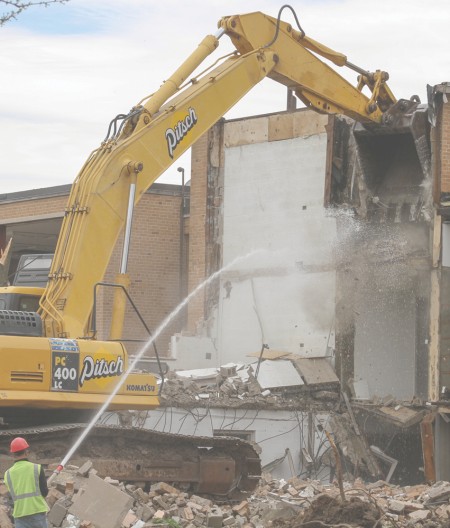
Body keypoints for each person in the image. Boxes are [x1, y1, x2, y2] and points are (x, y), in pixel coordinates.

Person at [4, 437, 49, 528]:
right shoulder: (37, 468)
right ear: (26, 452)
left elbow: (12, 496)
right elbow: (44, 492)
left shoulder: (7, 474)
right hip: (37, 512)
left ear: (13, 454)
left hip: (20, 516)